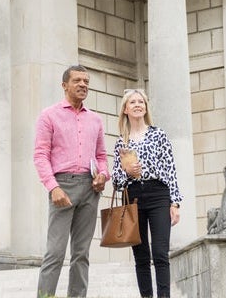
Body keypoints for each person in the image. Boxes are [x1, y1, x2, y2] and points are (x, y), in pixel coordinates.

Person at [34, 65, 109, 298]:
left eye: (86, 81)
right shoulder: (49, 115)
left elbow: (101, 156)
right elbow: (40, 155)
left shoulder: (95, 120)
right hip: (62, 186)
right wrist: (53, 186)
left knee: (81, 253)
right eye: (77, 80)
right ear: (64, 85)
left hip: (90, 188)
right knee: (55, 253)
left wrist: (103, 175)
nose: (83, 85)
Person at [112, 88, 182, 298]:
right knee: (141, 256)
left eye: (141, 102)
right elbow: (115, 181)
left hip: (159, 194)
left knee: (160, 253)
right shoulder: (121, 142)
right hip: (133, 197)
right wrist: (127, 172)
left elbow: (170, 169)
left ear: (145, 107)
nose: (137, 105)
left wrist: (175, 203)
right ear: (125, 109)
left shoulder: (158, 134)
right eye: (132, 102)